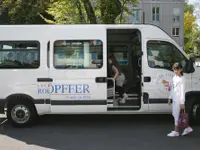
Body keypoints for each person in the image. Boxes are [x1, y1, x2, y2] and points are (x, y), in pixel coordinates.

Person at [167, 62, 193, 137]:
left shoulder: (182, 79)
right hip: (175, 99)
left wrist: (182, 102)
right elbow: (173, 88)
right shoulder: (174, 77)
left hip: (179, 100)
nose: (176, 71)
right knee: (176, 114)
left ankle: (176, 131)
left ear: (181, 69)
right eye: (174, 69)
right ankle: (187, 128)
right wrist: (170, 97)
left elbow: (182, 91)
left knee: (176, 115)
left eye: (177, 70)